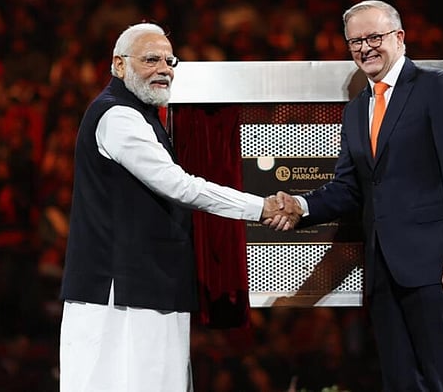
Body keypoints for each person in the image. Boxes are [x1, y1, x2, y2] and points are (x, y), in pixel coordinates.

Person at [59, 22, 298, 392]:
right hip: (120, 293)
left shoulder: (141, 114)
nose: (164, 69)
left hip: (148, 285)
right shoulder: (117, 116)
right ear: (119, 65)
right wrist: (260, 207)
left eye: (169, 60)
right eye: (150, 59)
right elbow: (177, 185)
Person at [270, 0, 443, 391]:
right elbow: (349, 188)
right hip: (382, 268)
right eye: (355, 41)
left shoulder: (437, 87)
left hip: (435, 264)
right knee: (400, 381)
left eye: (374, 37)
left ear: (399, 38)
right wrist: (300, 205)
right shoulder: (356, 110)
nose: (365, 48)